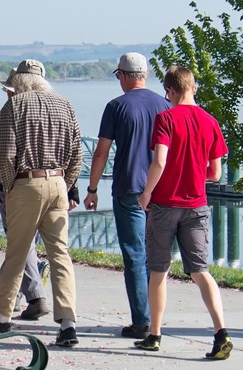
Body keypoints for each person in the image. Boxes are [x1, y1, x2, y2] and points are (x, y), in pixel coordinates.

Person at [0, 59, 82, 348]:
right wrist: (66, 183)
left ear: (20, 83)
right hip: (59, 183)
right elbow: (77, 154)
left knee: (18, 252)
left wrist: (10, 187)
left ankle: (3, 314)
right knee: (60, 254)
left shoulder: (15, 106)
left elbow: (4, 154)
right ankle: (68, 322)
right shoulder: (65, 104)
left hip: (26, 183)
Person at [134, 65, 232, 359]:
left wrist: (147, 193)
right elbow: (215, 173)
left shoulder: (165, 118)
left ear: (170, 91)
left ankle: (155, 334)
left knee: (158, 270)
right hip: (197, 206)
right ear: (194, 88)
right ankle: (221, 332)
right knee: (201, 271)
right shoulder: (210, 121)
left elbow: (159, 162)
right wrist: (192, 170)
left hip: (165, 205)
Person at [82, 52, 172, 339]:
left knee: (135, 255)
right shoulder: (165, 105)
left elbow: (101, 152)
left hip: (129, 188)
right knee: (156, 256)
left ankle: (142, 320)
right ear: (144, 75)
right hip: (160, 190)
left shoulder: (115, 107)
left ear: (122, 75)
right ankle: (155, 317)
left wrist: (92, 189)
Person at [0, 78, 49, 320]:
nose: (6, 95)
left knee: (20, 246)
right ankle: (15, 297)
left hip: (16, 188)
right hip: (50, 186)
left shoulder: (7, 116)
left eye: (8, 91)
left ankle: (34, 296)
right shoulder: (50, 112)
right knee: (29, 246)